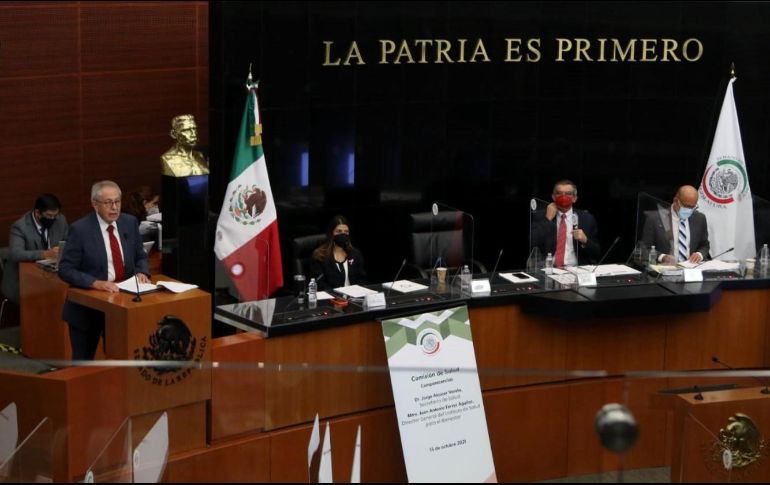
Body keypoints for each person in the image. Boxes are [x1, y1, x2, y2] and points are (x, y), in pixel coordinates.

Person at [58, 181, 150, 360]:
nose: (114, 207)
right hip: (88, 308)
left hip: (122, 304)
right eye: (108, 203)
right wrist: (95, 282)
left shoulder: (129, 222)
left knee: (122, 359)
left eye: (118, 202)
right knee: (83, 364)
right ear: (95, 204)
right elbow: (65, 269)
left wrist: (142, 272)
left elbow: (141, 254)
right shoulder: (80, 229)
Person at [2, 194, 69, 304]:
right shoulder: (20, 227)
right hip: (23, 280)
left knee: (69, 292)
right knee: (48, 297)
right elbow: (16, 254)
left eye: (55, 215)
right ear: (37, 213)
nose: (53, 219)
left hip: (53, 275)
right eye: (49, 215)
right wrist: (45, 254)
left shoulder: (60, 220)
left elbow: (69, 241)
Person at [531, 179, 601, 267]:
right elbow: (533, 244)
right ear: (553, 197)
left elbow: (597, 253)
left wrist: (585, 240)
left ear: (574, 198)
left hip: (576, 269)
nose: (563, 197)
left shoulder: (586, 219)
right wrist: (547, 220)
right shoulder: (541, 215)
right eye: (559, 193)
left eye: (568, 194)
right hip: (549, 269)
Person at [642, 185, 709, 264]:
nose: (689, 210)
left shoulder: (700, 218)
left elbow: (704, 245)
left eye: (693, 207)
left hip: (690, 270)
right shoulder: (654, 219)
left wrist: (699, 254)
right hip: (665, 270)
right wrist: (662, 257)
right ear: (675, 200)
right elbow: (645, 249)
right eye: (686, 206)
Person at [309, 216, 366, 291]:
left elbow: (362, 279)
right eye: (339, 231)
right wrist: (337, 295)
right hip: (331, 298)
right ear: (331, 233)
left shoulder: (355, 254)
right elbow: (320, 283)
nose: (343, 234)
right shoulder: (320, 255)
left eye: (346, 232)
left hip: (354, 298)